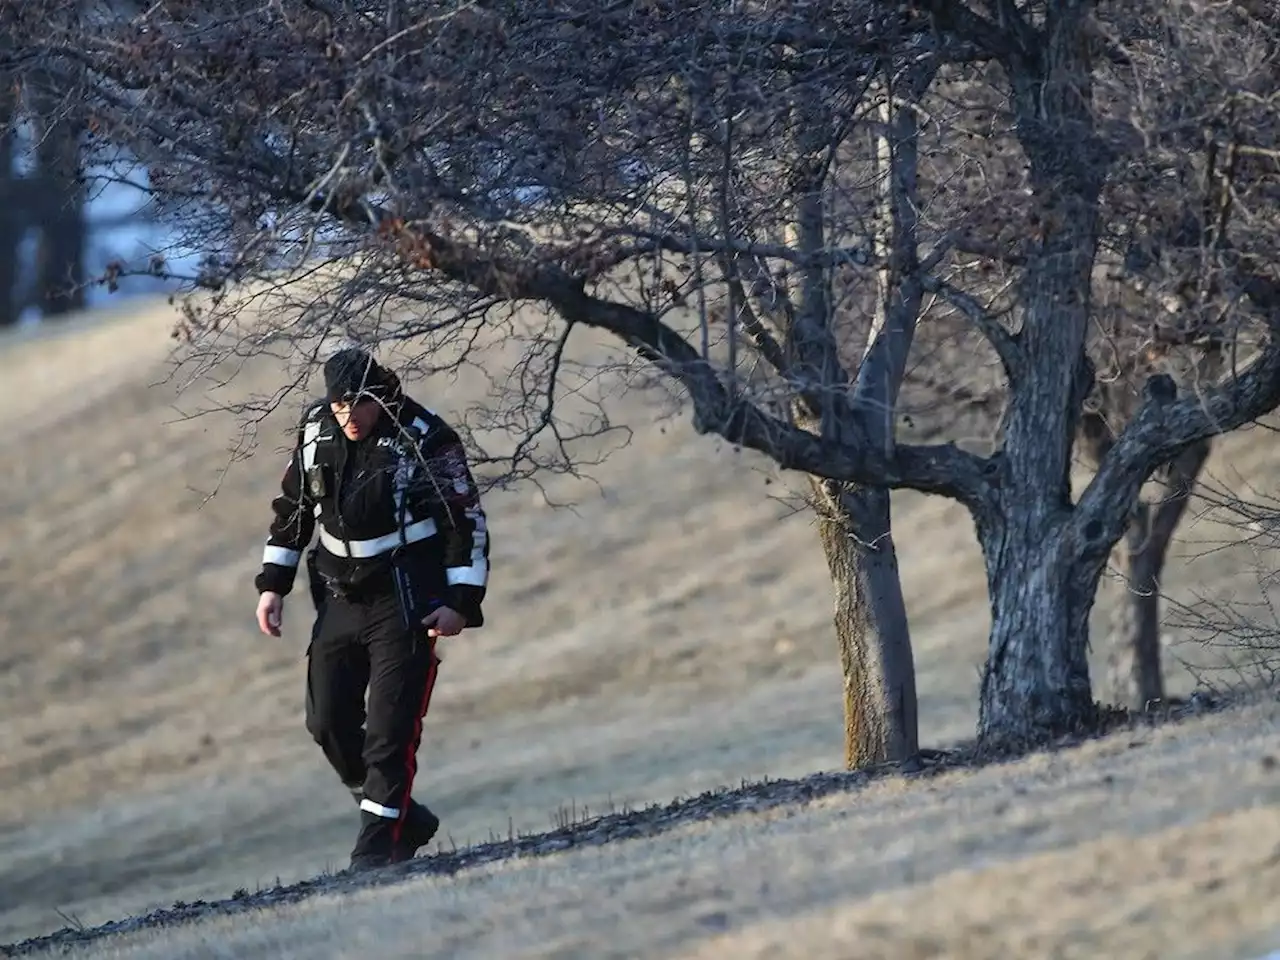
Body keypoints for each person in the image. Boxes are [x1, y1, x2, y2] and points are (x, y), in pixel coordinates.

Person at [252, 345, 490, 872]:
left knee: (390, 732)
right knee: (328, 721)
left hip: (405, 599)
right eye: (338, 406)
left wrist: (460, 603)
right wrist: (273, 585)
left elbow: (465, 521)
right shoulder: (316, 431)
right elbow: (294, 510)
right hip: (337, 596)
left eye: (357, 405)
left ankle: (375, 853)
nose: (348, 417)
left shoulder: (426, 438)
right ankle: (404, 814)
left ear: (379, 394)